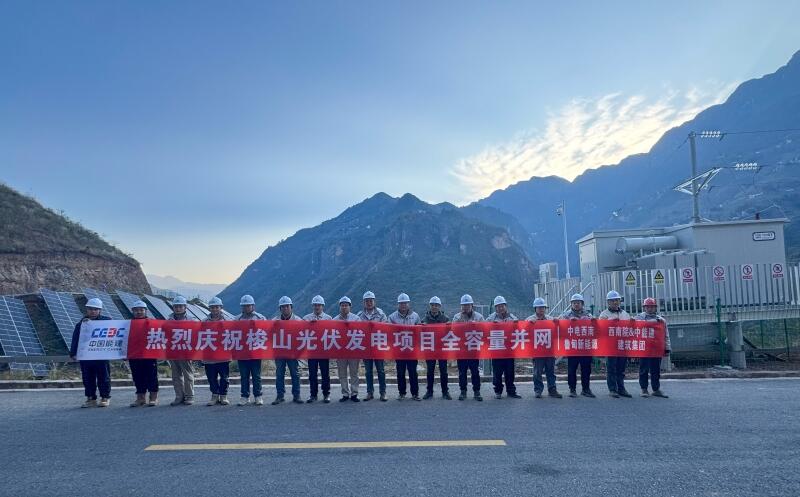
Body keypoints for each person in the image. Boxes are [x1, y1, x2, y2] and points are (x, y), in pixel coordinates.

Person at [69, 298, 112, 408]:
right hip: (86, 355)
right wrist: (73, 353)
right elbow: (75, 339)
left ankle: (105, 397)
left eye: (95, 309)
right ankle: (91, 398)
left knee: (104, 377)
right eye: (90, 309)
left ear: (100, 310)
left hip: (101, 355)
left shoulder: (107, 322)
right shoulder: (81, 324)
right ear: (87, 310)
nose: (93, 311)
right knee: (87, 378)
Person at [560, 293, 595, 398]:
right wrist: (568, 322)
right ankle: (572, 389)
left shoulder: (588, 315)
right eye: (574, 303)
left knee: (586, 369)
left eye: (578, 303)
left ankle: (586, 389)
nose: (576, 304)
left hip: (585, 347)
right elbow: (559, 325)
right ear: (571, 304)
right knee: (572, 369)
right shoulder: (566, 315)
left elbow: (595, 325)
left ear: (582, 304)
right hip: (573, 347)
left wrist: (591, 321)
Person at [525, 298, 562, 399]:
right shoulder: (529, 319)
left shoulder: (550, 319)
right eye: (539, 307)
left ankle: (552, 389)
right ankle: (538, 390)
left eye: (543, 307)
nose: (541, 309)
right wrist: (529, 324)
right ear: (535, 308)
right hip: (537, 351)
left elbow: (558, 330)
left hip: (549, 350)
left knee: (551, 371)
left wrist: (557, 322)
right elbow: (523, 331)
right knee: (537, 372)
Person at [388, 293, 422, 401]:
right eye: (401, 303)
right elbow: (389, 333)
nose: (403, 305)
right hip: (399, 350)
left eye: (405, 303)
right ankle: (402, 393)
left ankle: (415, 393)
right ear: (398, 304)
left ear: (409, 304)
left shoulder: (415, 316)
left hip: (412, 350)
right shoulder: (392, 317)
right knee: (400, 372)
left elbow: (420, 332)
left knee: (413, 372)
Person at [599, 290, 632, 398]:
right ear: (608, 302)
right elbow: (600, 329)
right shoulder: (604, 314)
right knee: (611, 368)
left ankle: (621, 388)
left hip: (622, 345)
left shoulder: (625, 314)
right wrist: (611, 322)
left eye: (617, 300)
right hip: (610, 346)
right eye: (612, 300)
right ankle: (613, 389)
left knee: (621, 368)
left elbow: (630, 329)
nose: (615, 302)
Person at [487, 296, 521, 399]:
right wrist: (491, 325)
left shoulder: (512, 317)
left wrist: (516, 324)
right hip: (497, 350)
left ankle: (511, 391)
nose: (500, 308)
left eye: (502, 306)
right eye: (498, 306)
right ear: (495, 308)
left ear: (506, 306)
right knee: (497, 372)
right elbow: (484, 329)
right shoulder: (491, 318)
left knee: (510, 372)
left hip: (509, 350)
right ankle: (498, 391)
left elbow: (519, 329)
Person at [167, 296, 199, 406]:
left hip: (186, 351)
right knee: (176, 375)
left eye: (180, 306)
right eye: (176, 306)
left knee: (188, 374)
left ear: (185, 307)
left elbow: (196, 336)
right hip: (173, 351)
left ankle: (189, 396)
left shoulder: (191, 320)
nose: (178, 308)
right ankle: (179, 396)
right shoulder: (168, 320)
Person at [637, 297, 671, 398]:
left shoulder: (661, 321)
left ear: (655, 308)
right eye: (648, 307)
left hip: (656, 349)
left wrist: (667, 348)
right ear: (644, 308)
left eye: (652, 307)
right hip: (644, 348)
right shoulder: (639, 318)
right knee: (643, 369)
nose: (650, 308)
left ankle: (656, 389)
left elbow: (666, 335)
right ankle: (644, 389)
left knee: (655, 370)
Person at [357, 291, 388, 402]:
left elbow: (386, 328)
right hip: (366, 347)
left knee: (381, 370)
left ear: (374, 301)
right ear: (364, 302)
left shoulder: (381, 314)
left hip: (378, 346)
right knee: (368, 371)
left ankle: (383, 392)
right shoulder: (359, 315)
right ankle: (370, 392)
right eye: (367, 301)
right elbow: (356, 329)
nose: (369, 303)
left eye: (371, 301)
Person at [452, 294, 484, 401]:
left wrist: (477, 326)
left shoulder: (479, 317)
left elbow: (485, 330)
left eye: (467, 305)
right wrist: (459, 324)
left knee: (475, 371)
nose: (465, 307)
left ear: (472, 305)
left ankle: (477, 391)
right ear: (461, 306)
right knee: (462, 372)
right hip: (461, 349)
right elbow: (452, 331)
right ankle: (463, 391)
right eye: (464, 305)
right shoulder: (457, 317)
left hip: (473, 349)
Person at [272, 296, 304, 405]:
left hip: (293, 353)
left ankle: (297, 395)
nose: (285, 308)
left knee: (295, 373)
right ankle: (280, 396)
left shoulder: (298, 321)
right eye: (283, 307)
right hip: (279, 352)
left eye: (287, 306)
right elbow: (269, 336)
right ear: (280, 309)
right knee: (279, 374)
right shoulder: (274, 321)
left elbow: (303, 336)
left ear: (291, 307)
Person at [236, 295, 266, 406]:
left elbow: (267, 330)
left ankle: (258, 396)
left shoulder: (260, 318)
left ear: (253, 306)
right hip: (242, 353)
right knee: (244, 376)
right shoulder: (237, 319)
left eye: (248, 305)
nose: (246, 308)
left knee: (256, 375)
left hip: (255, 352)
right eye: (244, 306)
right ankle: (245, 396)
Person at [128, 300, 159, 407]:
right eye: (136, 310)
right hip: (134, 355)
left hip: (149, 354)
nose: (139, 312)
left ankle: (153, 397)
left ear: (146, 311)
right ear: (132, 311)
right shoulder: (128, 324)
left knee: (151, 376)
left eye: (141, 310)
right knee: (137, 376)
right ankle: (140, 398)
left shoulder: (152, 323)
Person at [303, 295, 332, 403]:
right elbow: (300, 331)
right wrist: (309, 325)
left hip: (324, 350)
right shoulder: (306, 319)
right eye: (315, 305)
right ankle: (313, 394)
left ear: (323, 306)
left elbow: (332, 333)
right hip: (311, 351)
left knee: (325, 374)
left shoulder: (329, 319)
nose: (317, 307)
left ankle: (326, 394)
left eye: (319, 305)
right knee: (312, 374)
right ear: (312, 306)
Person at [421, 296, 450, 400]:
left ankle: (445, 391)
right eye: (432, 305)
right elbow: (420, 333)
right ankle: (429, 391)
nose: (434, 307)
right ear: (430, 306)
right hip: (430, 348)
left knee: (444, 371)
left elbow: (450, 332)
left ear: (439, 306)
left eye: (436, 305)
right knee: (430, 371)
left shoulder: (445, 319)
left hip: (442, 348)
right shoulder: (425, 319)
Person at [334, 296, 362, 402]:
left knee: (354, 373)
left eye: (346, 305)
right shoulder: (334, 320)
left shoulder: (356, 319)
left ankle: (354, 393)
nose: (344, 307)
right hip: (340, 351)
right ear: (339, 307)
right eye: (342, 305)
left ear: (350, 306)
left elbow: (361, 333)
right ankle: (345, 393)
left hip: (353, 350)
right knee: (342, 374)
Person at [203, 297, 230, 406]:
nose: (214, 309)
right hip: (209, 356)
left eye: (216, 307)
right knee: (211, 378)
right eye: (212, 307)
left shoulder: (227, 321)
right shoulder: (204, 322)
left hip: (223, 356)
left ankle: (223, 395)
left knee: (224, 377)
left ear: (221, 307)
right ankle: (214, 395)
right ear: (209, 308)